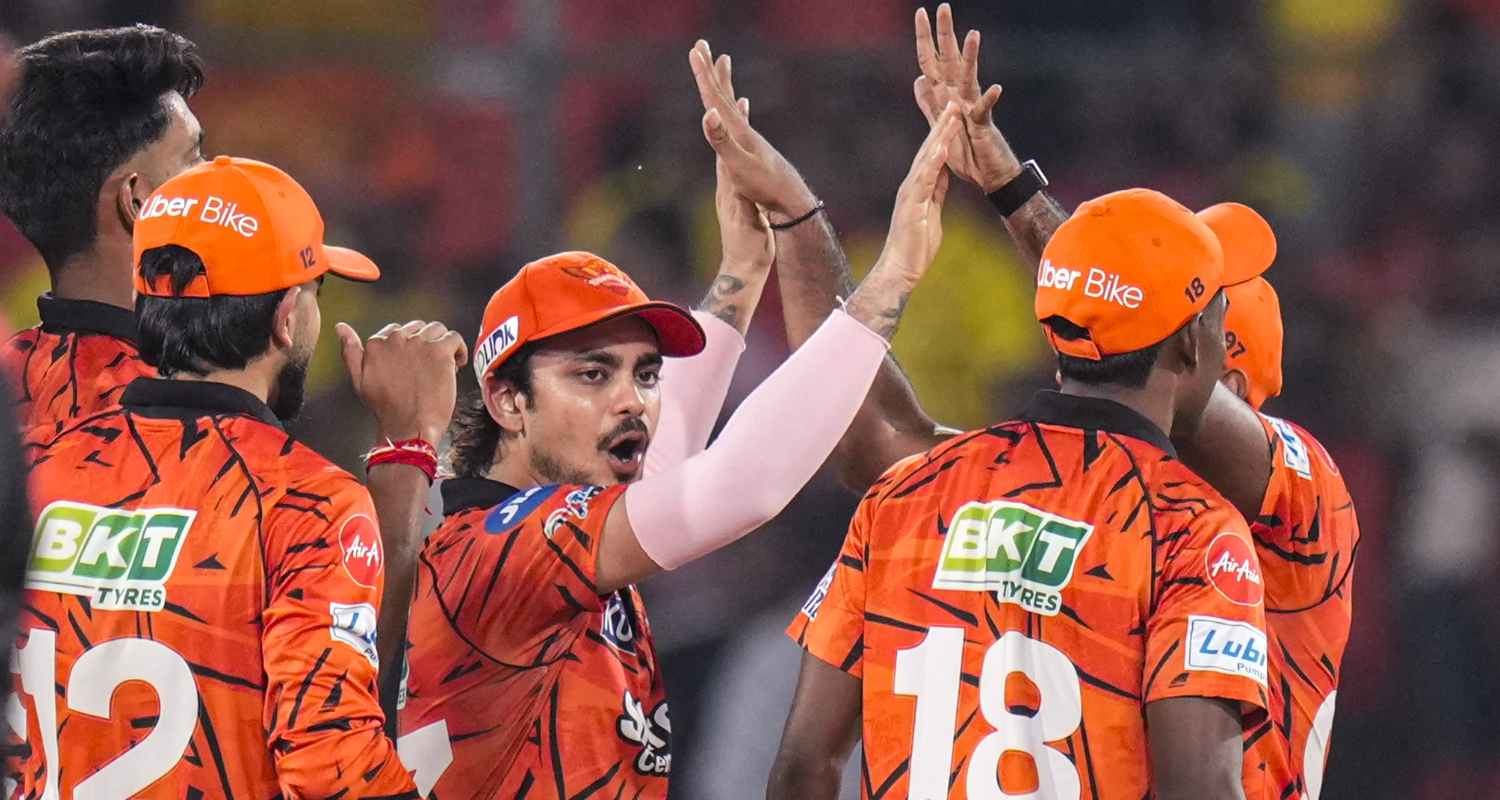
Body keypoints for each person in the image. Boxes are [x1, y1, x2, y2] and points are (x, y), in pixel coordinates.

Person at [394, 73, 967, 797]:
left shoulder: (540, 528)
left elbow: (666, 476)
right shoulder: (494, 547)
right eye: (592, 375)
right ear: (509, 402)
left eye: (645, 374)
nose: (632, 402)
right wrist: (891, 278)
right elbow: (737, 489)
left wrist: (743, 269)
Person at [904, 8, 1360, 797]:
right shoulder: (1100, 496)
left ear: (1213, 367)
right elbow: (892, 442)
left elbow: (1126, 320)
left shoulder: (1305, 497)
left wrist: (1014, 193)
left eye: (1199, 304)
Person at [9, 156, 461, 797]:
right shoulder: (305, 501)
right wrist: (410, 439)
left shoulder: (38, 469)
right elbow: (332, 771)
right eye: (314, 291)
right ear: (286, 318)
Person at [0, 25, 206, 438]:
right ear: (137, 201)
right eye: (194, 158)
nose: (215, 179)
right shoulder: (192, 417)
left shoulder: (9, 386)